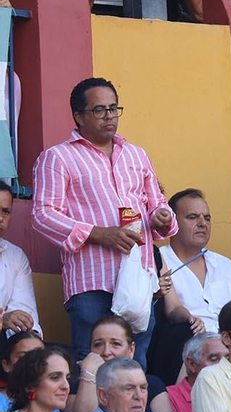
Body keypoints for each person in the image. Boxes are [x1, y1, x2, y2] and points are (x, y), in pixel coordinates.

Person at [32, 77, 175, 361]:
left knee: (135, 363)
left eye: (113, 109)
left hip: (138, 280)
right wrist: (99, 233)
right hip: (92, 283)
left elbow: (157, 206)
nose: (109, 116)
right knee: (94, 364)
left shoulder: (137, 154)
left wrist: (161, 216)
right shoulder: (58, 158)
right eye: (99, 110)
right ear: (78, 116)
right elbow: (43, 215)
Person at [156, 189, 231, 338]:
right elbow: (172, 310)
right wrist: (189, 319)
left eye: (207, 218)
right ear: (171, 223)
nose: (202, 223)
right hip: (189, 345)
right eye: (192, 217)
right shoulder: (159, 260)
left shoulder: (224, 265)